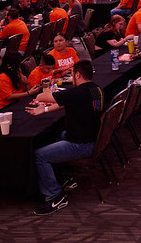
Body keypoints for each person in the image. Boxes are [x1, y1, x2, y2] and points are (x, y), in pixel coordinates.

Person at [28, 60, 105, 215]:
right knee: (54, 137)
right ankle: (65, 179)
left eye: (72, 74)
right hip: (92, 137)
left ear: (77, 75)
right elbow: (66, 103)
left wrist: (44, 90)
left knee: (39, 156)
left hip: (81, 144)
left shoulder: (76, 93)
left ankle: (56, 196)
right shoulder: (97, 90)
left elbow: (43, 96)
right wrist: (44, 111)